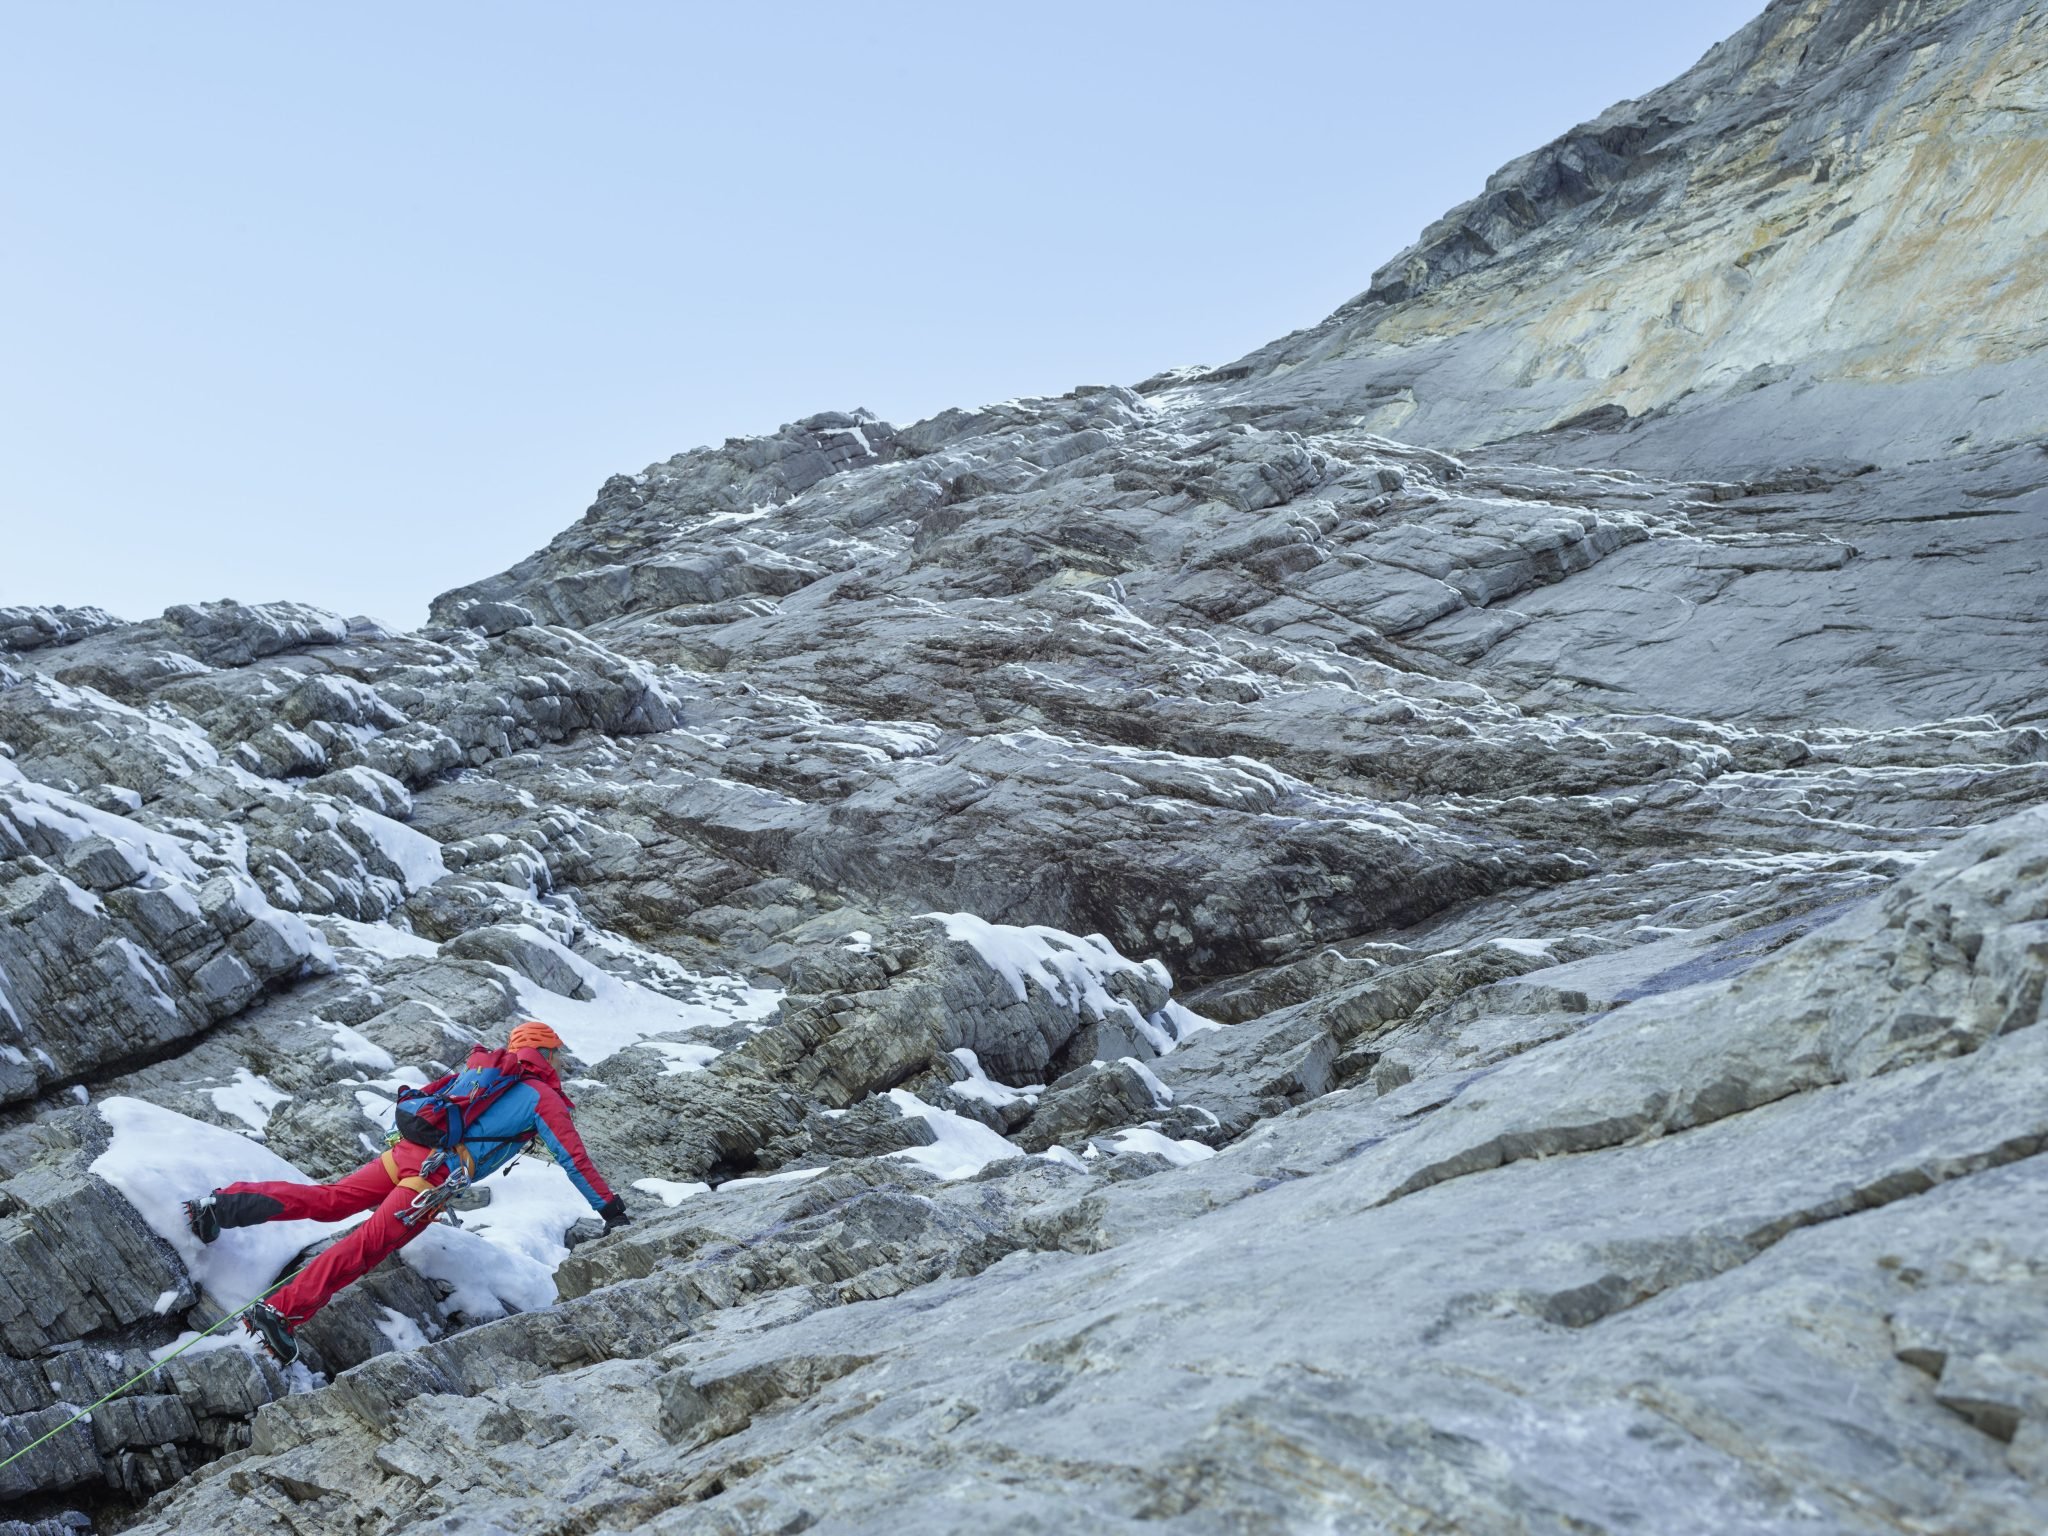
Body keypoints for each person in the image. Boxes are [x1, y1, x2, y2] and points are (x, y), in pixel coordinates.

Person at [183, 1021, 628, 1363]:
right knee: (366, 1246)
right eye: (558, 1055)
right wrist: (610, 1209)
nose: (561, 1064)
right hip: (431, 1180)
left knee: (329, 1199)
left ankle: (219, 1206)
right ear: (545, 1052)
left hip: (406, 1156)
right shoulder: (539, 1096)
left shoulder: (482, 1073)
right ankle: (279, 1313)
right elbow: (575, 1159)